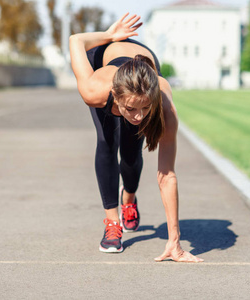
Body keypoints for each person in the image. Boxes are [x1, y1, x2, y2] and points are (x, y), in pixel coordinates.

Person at [69, 13, 203, 263]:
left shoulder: (162, 102)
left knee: (131, 152)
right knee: (107, 141)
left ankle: (129, 198)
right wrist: (109, 35)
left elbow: (167, 175)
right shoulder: (94, 89)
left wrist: (175, 242)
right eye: (130, 109)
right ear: (116, 98)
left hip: (143, 60)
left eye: (145, 109)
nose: (139, 117)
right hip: (104, 55)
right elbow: (76, 40)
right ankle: (112, 221)